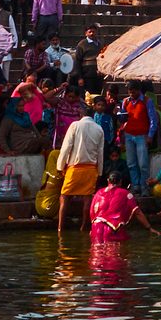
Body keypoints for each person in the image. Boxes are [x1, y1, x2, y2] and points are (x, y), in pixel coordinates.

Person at [51, 99, 106, 235]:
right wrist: (99, 172)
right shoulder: (99, 129)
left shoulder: (75, 125)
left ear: (81, 113)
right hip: (91, 168)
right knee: (87, 199)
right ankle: (83, 226)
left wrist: (60, 166)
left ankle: (60, 228)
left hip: (75, 167)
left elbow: (66, 148)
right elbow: (100, 153)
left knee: (64, 197)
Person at [88, 173, 155, 240]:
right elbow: (137, 212)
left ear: (108, 181)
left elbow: (92, 211)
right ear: (120, 182)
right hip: (114, 228)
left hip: (96, 228)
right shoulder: (126, 194)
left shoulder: (98, 193)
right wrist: (149, 228)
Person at [119, 81, 155, 191]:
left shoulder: (147, 101)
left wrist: (150, 135)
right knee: (131, 163)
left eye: (133, 91)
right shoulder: (125, 102)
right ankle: (135, 186)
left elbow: (153, 119)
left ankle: (144, 187)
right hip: (129, 135)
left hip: (142, 136)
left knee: (143, 164)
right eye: (129, 91)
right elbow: (122, 119)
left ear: (139, 90)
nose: (131, 94)